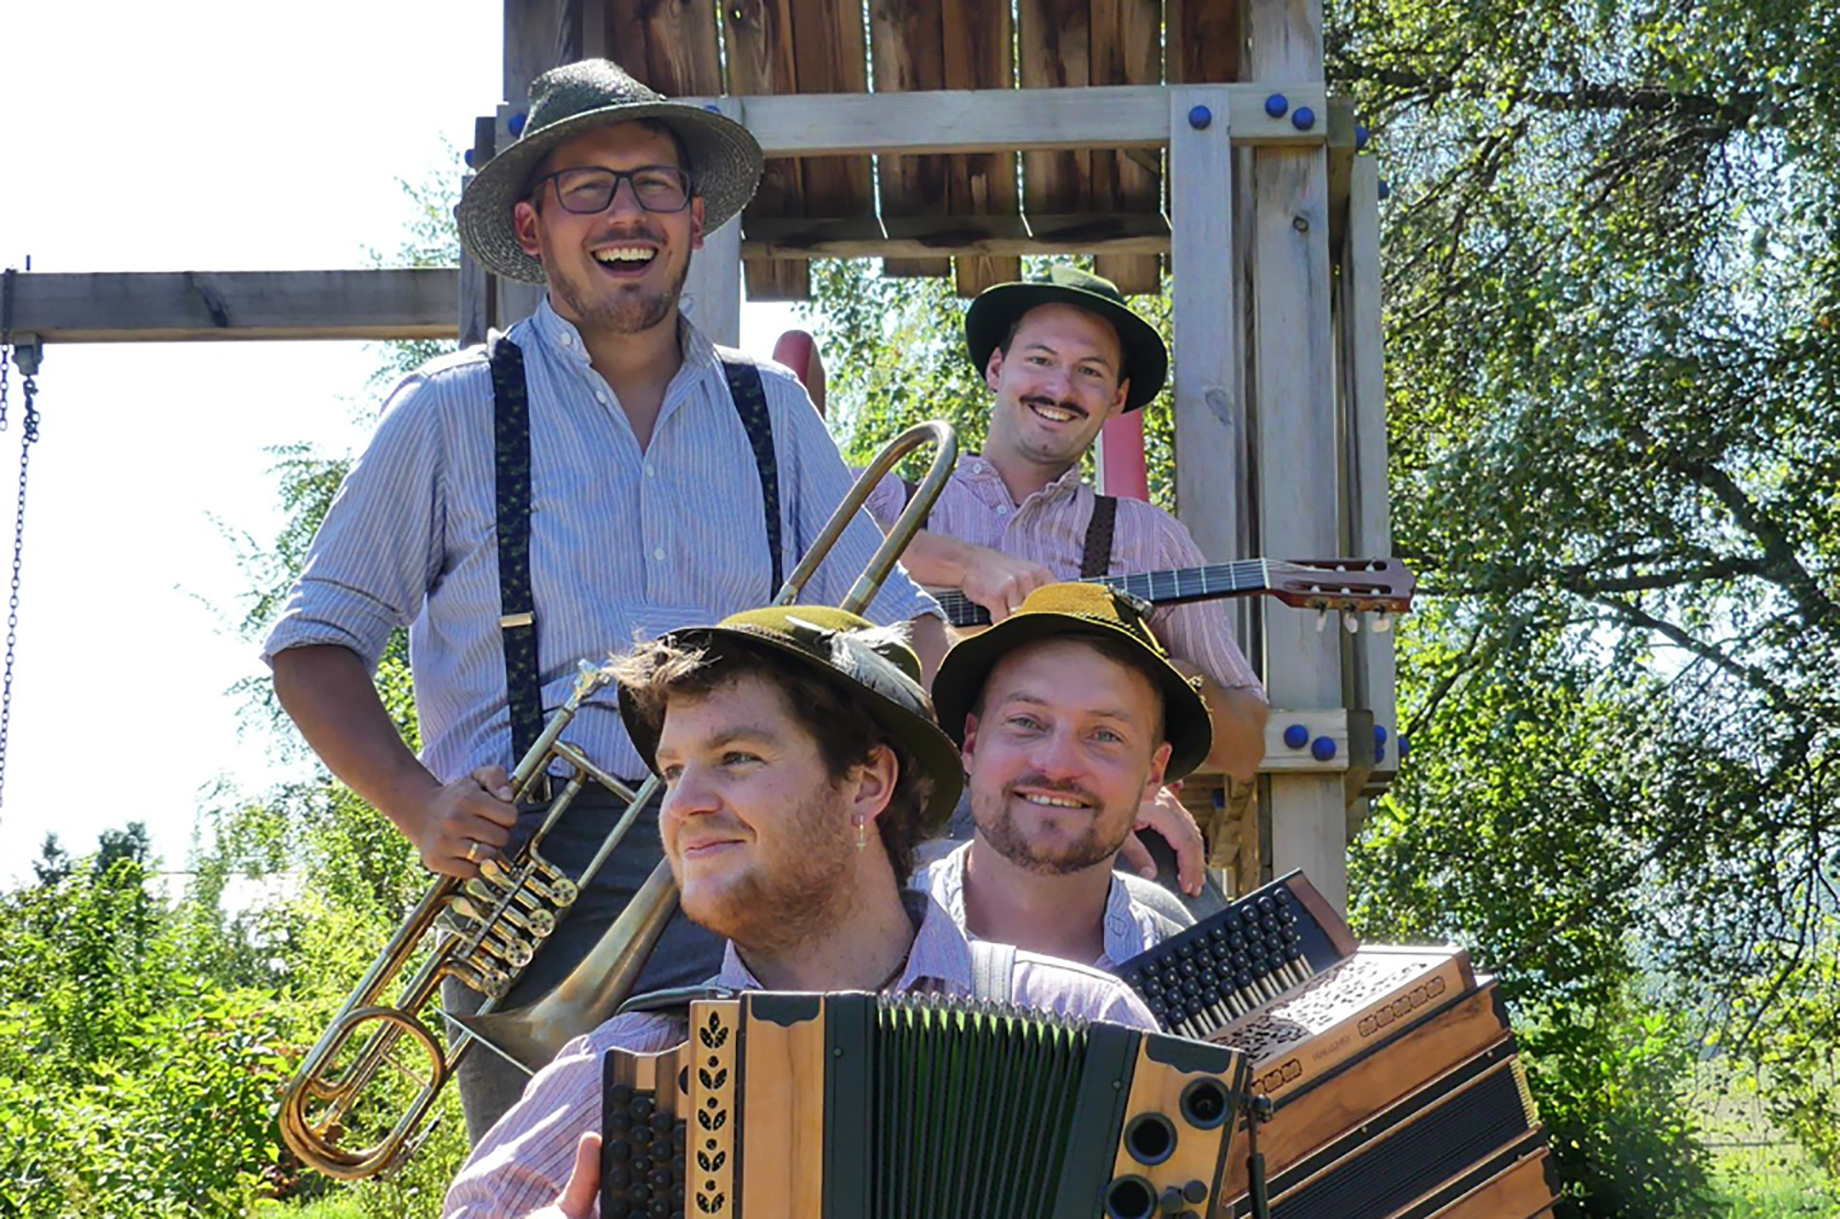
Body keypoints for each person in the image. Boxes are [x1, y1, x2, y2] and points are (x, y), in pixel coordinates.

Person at [262, 58, 946, 1140]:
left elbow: (904, 628)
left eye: (654, 185)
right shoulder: (447, 410)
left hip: (759, 845)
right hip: (537, 875)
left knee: (784, 1171)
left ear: (695, 218)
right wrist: (421, 807)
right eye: (588, 188)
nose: (626, 213)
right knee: (547, 1190)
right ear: (532, 228)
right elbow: (314, 646)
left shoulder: (771, 407)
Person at [442, 607, 1156, 1217]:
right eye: (673, 771)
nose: (684, 805)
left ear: (867, 784)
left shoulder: (1090, 1025)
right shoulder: (627, 1066)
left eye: (737, 757)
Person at [862, 266, 1267, 893]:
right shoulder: (885, 501)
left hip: (1078, 817)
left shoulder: (1148, 539)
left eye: (1090, 372)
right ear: (997, 368)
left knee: (1177, 885)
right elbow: (799, 564)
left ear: (1118, 397)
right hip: (892, 816)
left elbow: (1245, 742)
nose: (1060, 387)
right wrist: (967, 564)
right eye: (1041, 359)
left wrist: (1143, 686)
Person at [918, 582, 1216, 970]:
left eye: (1105, 735)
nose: (1057, 765)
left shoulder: (1192, 971)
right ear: (972, 745)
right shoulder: (863, 943)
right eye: (1026, 722)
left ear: (1153, 772)